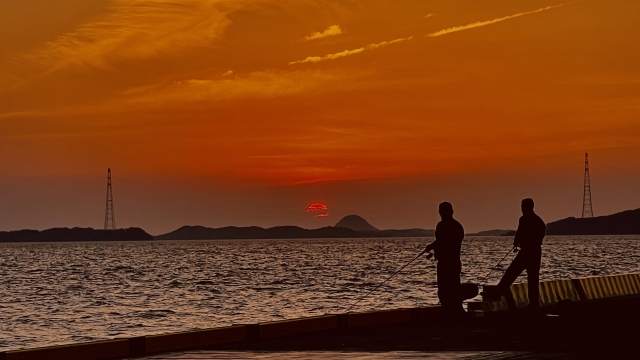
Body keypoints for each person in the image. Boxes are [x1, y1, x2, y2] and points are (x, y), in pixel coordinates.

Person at [487, 198, 546, 309]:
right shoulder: (531, 220)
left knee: (518, 274)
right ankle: (533, 303)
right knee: (523, 275)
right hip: (530, 252)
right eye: (522, 207)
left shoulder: (531, 220)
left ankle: (499, 294)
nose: (522, 209)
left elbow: (532, 237)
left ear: (529, 207)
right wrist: (517, 242)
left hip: (530, 252)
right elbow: (520, 234)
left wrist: (521, 242)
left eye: (523, 207)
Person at [425, 201, 465, 318]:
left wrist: (433, 247)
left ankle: (451, 310)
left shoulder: (444, 226)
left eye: (442, 211)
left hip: (448, 262)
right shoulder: (456, 226)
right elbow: (441, 241)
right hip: (449, 262)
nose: (441, 214)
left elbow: (444, 241)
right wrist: (432, 247)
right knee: (448, 286)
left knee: (447, 287)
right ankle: (451, 309)